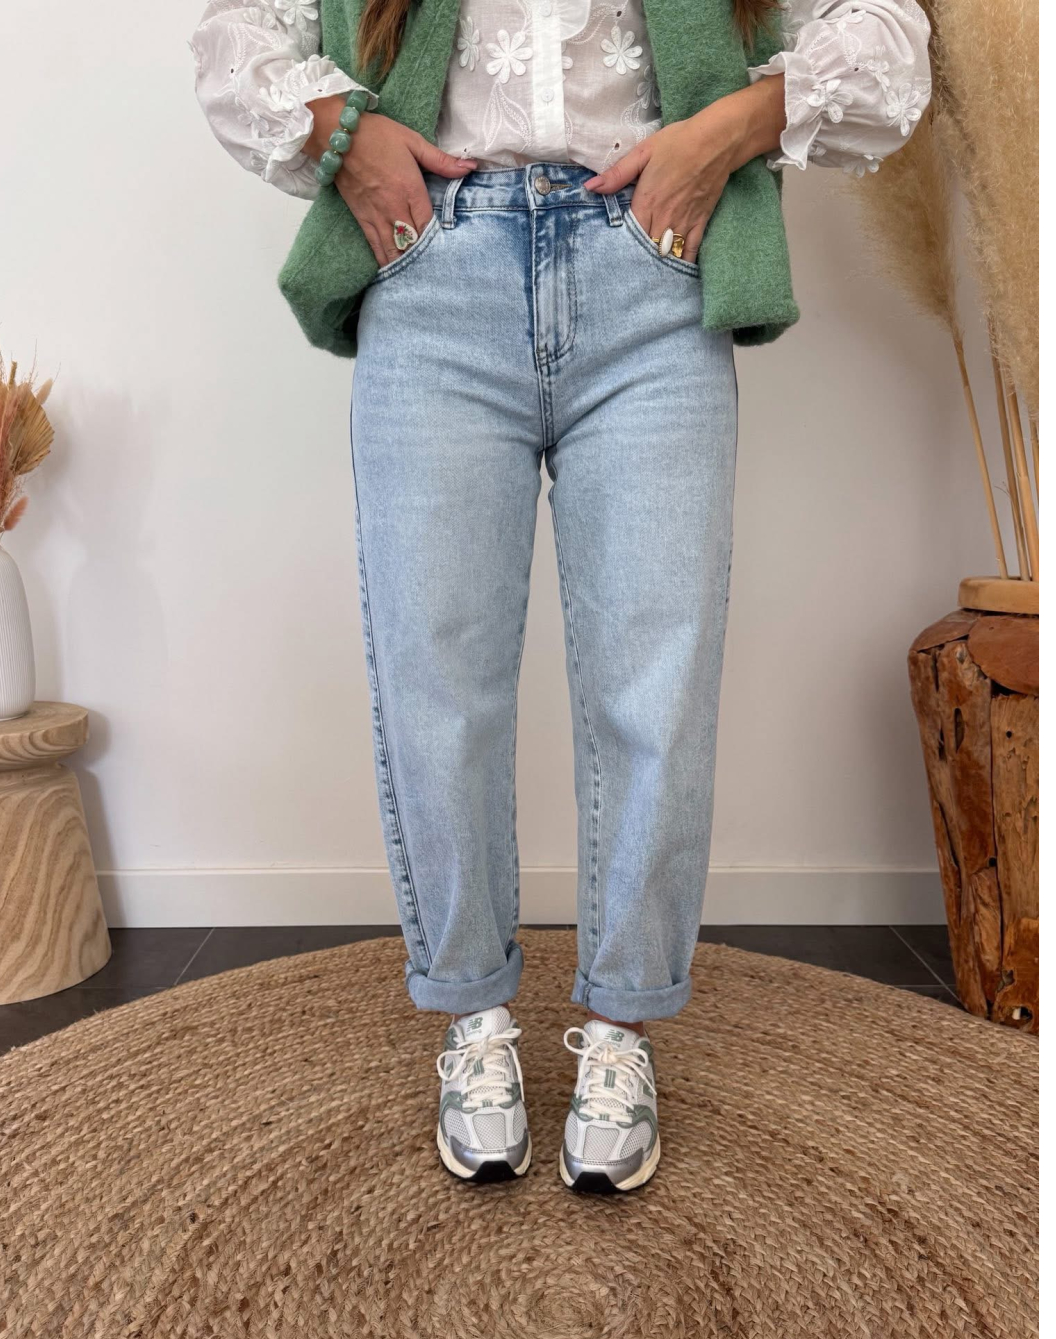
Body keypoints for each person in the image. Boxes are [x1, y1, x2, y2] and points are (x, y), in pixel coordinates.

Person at [192, 0, 931, 1191]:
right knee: (437, 677)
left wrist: (724, 132)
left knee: (657, 683)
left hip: (650, 264)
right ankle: (471, 1021)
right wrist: (345, 132)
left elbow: (887, 38)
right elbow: (236, 34)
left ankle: (621, 1030)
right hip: (435, 266)